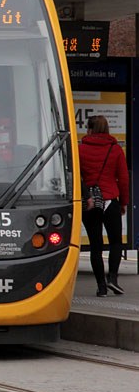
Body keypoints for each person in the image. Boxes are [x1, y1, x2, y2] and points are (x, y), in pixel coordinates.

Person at [79, 115, 128, 297]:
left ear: (90, 129)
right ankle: (113, 278)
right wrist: (123, 202)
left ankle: (101, 287)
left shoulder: (80, 149)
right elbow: (123, 179)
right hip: (110, 201)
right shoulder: (115, 150)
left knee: (95, 246)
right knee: (116, 242)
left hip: (90, 202)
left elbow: (76, 175)